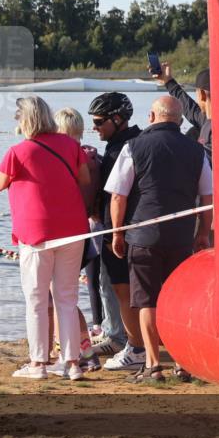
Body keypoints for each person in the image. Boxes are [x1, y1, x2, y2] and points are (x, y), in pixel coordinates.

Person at [0, 96, 91, 381]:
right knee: (66, 297)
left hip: (36, 232)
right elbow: (85, 180)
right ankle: (73, 363)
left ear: (26, 120)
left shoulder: (18, 152)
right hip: (72, 228)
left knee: (37, 299)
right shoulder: (71, 145)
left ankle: (38, 363)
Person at [105, 95, 213, 383]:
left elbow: (118, 195)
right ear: (179, 120)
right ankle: (182, 362)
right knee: (177, 299)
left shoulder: (133, 147)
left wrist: (117, 232)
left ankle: (153, 365)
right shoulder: (196, 150)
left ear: (152, 117)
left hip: (143, 236)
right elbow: (207, 196)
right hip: (181, 236)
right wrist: (203, 233)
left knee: (147, 301)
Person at [87, 92, 147, 371]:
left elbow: (115, 195)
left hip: (120, 232)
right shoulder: (137, 141)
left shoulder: (120, 149)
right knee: (139, 291)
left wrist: (115, 235)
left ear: (117, 119)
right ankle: (131, 340)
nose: (95, 127)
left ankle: (132, 345)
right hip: (138, 229)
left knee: (123, 291)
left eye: (99, 121)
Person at [52, 107, 101, 374]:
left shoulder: (71, 159)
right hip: (84, 231)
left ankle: (77, 352)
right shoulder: (91, 156)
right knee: (64, 296)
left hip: (69, 232)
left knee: (61, 297)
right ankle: (80, 350)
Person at [152, 63, 212, 161]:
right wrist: (168, 81)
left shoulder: (211, 127)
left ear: (201, 94)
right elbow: (189, 107)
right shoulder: (207, 119)